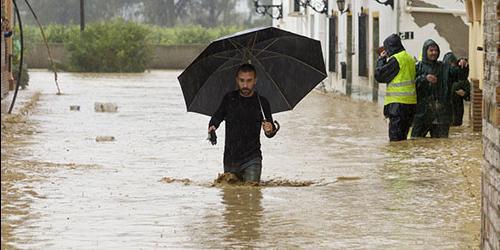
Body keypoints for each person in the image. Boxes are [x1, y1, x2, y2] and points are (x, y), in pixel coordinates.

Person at [208, 63, 278, 183]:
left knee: (251, 195)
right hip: (230, 160)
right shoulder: (229, 99)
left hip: (252, 158)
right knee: (230, 199)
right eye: (242, 80)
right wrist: (212, 129)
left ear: (255, 81)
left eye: (249, 81)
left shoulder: (262, 103)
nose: (245, 85)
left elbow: (270, 132)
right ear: (237, 80)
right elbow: (216, 118)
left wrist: (270, 130)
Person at [411, 40, 468, 138]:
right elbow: (412, 84)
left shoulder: (444, 67)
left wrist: (462, 64)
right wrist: (424, 78)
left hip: (441, 115)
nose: (434, 53)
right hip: (422, 113)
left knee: (441, 143)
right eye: (431, 50)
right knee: (416, 141)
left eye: (436, 50)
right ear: (426, 52)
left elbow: (459, 76)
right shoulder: (418, 67)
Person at [375, 34, 417, 141]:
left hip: (397, 105)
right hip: (411, 104)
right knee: (403, 139)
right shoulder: (409, 58)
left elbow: (380, 76)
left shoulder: (396, 60)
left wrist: (381, 59)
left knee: (395, 141)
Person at [443, 52, 470, 126]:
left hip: (455, 116)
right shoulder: (442, 79)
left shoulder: (459, 80)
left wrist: (464, 94)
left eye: (451, 65)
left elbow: (469, 96)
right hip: (448, 117)